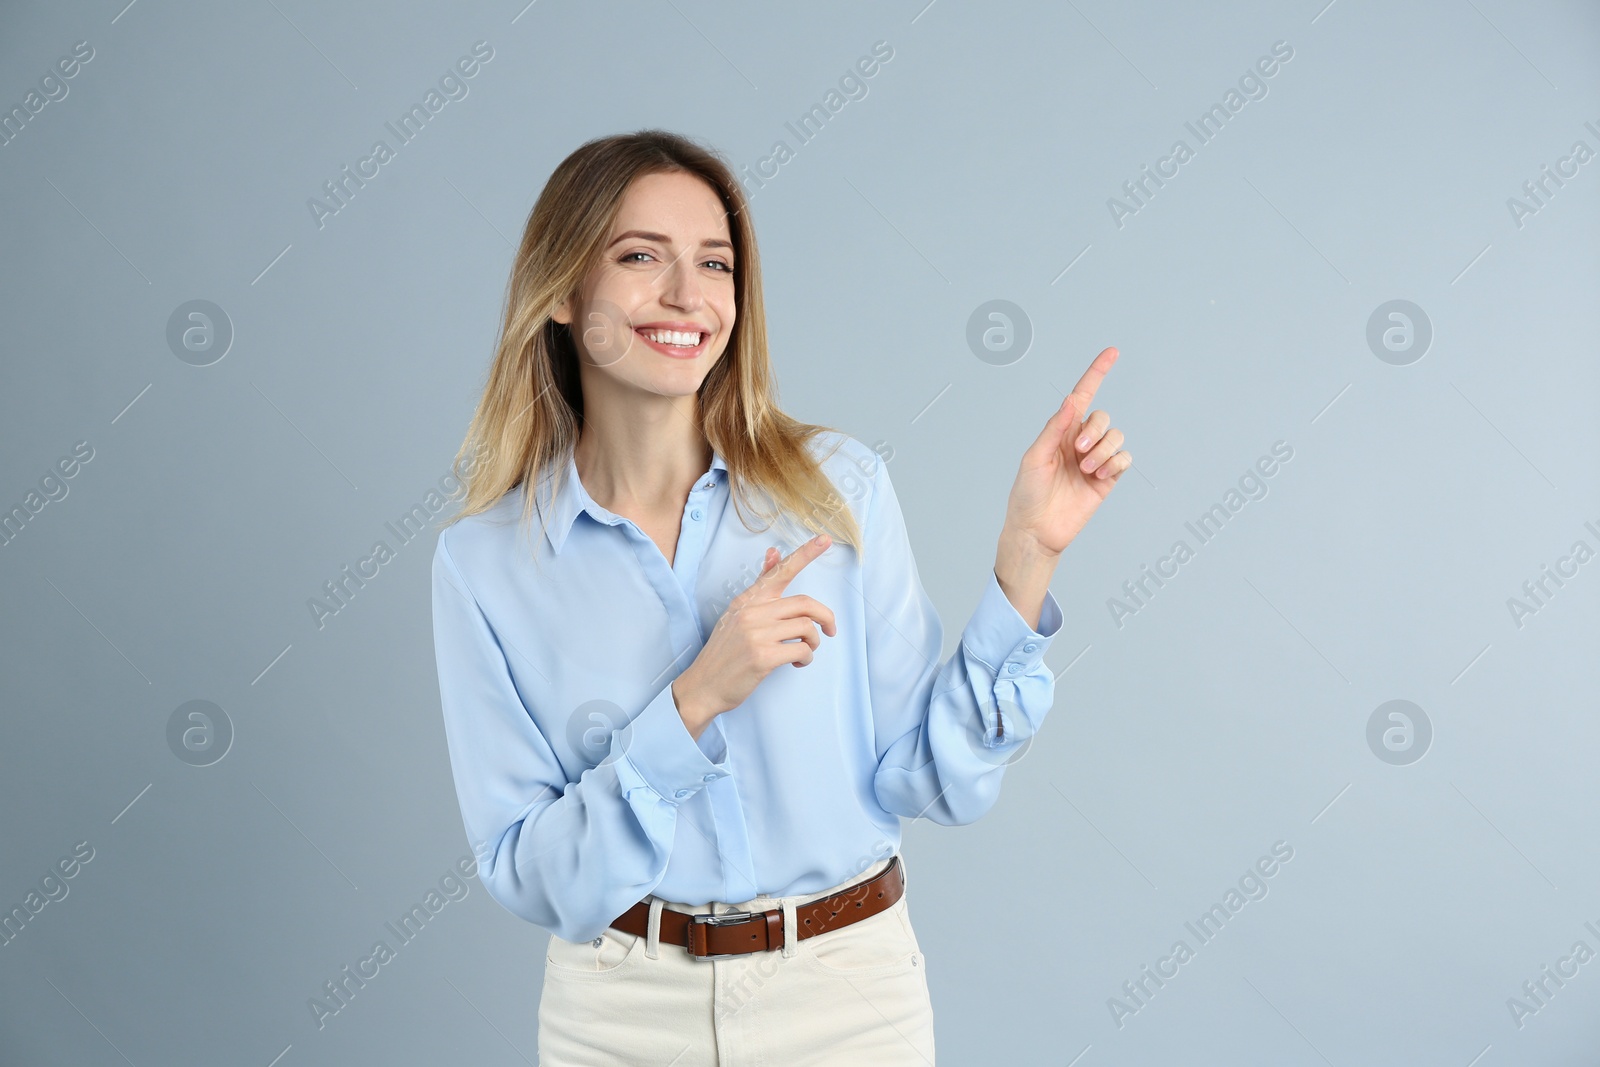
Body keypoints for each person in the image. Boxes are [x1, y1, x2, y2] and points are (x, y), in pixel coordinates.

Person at [429, 129, 1130, 1065]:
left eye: (714, 263)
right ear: (562, 291)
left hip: (847, 997)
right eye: (641, 256)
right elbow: (529, 870)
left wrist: (1026, 560)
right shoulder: (483, 565)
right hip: (619, 1015)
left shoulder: (837, 489)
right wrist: (694, 700)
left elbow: (931, 775)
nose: (687, 295)